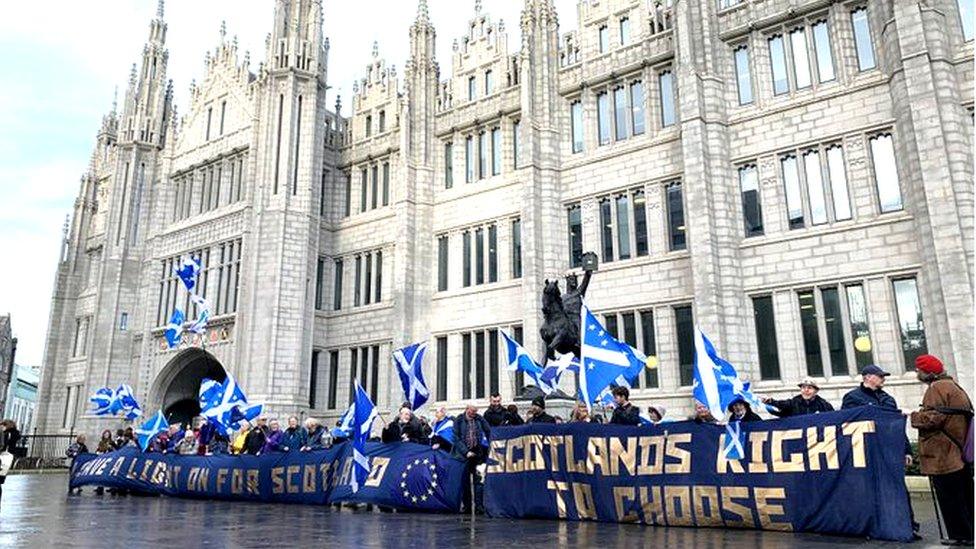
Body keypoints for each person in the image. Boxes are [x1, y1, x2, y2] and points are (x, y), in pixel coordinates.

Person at [842, 364, 920, 539]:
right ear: (867, 377)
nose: (883, 378)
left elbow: (897, 426)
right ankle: (870, 527)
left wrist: (906, 450)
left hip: (889, 451)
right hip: (867, 452)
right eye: (879, 376)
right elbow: (846, 425)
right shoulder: (852, 398)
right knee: (868, 491)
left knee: (897, 488)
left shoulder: (888, 399)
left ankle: (908, 525)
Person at [909, 355, 974, 545]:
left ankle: (960, 536)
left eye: (919, 370)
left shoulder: (936, 388)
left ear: (927, 373)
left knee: (950, 499)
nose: (917, 373)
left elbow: (932, 419)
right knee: (965, 497)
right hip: (956, 453)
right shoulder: (953, 386)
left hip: (943, 456)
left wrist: (913, 416)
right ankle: (969, 533)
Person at [452, 403, 491, 514]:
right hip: (464, 455)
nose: (474, 413)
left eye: (476, 411)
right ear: (467, 409)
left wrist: (482, 420)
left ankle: (479, 506)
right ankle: (467, 506)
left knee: (478, 481)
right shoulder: (459, 420)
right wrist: (466, 451)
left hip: (478, 454)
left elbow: (488, 431)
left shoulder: (479, 419)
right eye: (472, 411)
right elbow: (455, 438)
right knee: (465, 482)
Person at [763, 378, 834, 417]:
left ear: (816, 391)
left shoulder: (824, 405)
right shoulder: (794, 402)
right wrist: (771, 401)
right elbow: (783, 404)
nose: (806, 390)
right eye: (803, 387)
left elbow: (834, 418)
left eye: (809, 388)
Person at [0, 420, 21, 509]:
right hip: (8, 456)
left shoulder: (8, 434)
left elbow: (4, 444)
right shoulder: (12, 433)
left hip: (5, 455)